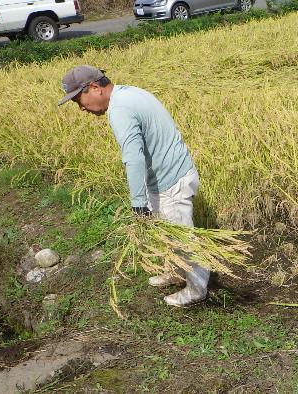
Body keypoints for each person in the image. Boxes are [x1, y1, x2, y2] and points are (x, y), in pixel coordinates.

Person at [58, 65, 208, 308]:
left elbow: (134, 158)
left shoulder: (119, 110)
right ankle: (176, 272)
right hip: (170, 175)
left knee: (183, 239)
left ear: (94, 88)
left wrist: (138, 204)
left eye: (79, 100)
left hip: (171, 181)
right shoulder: (129, 93)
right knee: (168, 233)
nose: (82, 108)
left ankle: (197, 289)